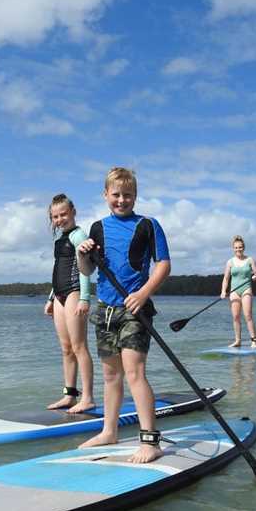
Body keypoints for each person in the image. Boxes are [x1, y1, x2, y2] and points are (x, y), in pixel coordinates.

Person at [76, 167, 170, 463]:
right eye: (115, 195)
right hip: (105, 310)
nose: (121, 200)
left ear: (135, 196)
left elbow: (164, 265)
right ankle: (109, 431)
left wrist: (144, 294)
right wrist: (82, 253)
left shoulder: (148, 225)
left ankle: (150, 441)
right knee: (110, 374)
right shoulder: (97, 228)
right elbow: (87, 270)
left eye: (127, 195)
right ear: (105, 195)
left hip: (135, 310)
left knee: (134, 373)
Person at [44, 194, 95, 413]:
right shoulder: (60, 240)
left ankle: (89, 398)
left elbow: (84, 270)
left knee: (79, 347)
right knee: (66, 349)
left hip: (74, 293)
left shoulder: (78, 235)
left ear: (73, 212)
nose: (60, 219)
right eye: (55, 216)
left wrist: (85, 298)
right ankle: (69, 396)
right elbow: (58, 271)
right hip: (59, 296)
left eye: (63, 214)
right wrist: (50, 298)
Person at [220, 235, 256, 348]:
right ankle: (238, 341)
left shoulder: (250, 260)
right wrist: (223, 291)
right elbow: (226, 278)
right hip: (234, 291)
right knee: (236, 317)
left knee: (248, 315)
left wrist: (255, 277)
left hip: (246, 289)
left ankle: (253, 340)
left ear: (244, 248)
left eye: (240, 247)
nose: (238, 249)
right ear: (233, 248)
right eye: (236, 247)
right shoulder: (230, 262)